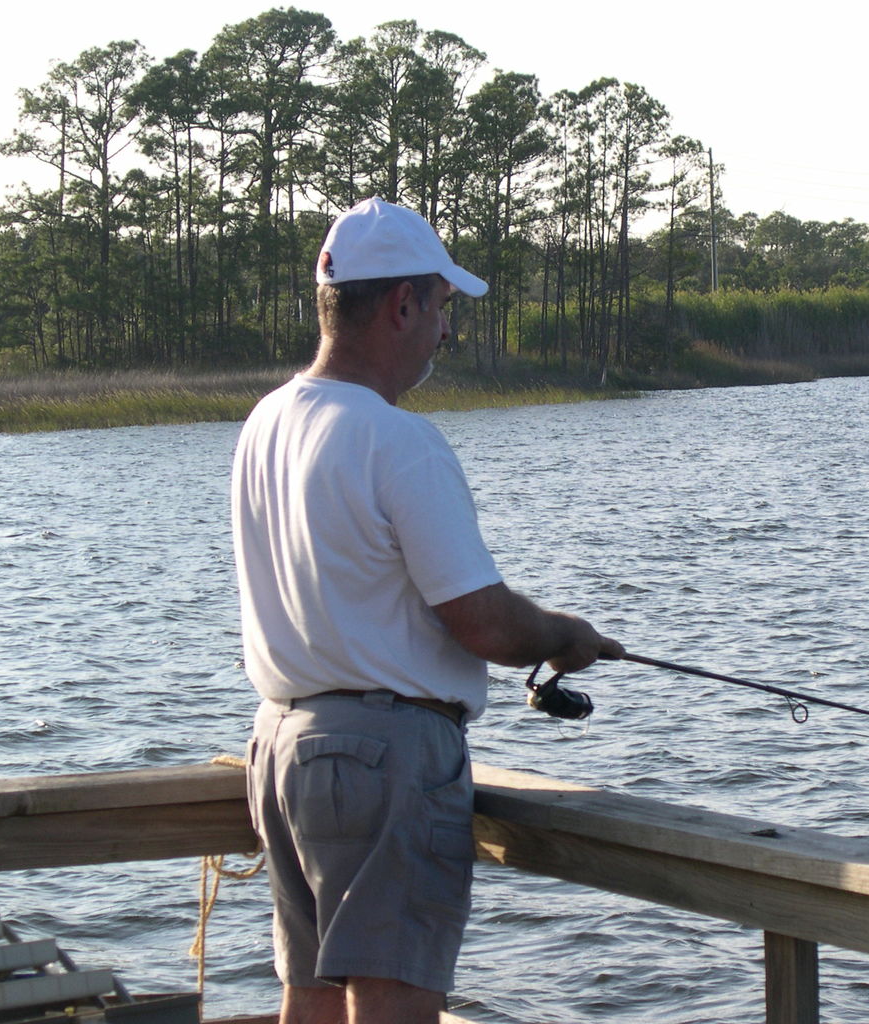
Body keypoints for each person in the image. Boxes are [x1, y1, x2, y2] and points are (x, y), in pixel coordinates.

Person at [231, 197, 622, 1024]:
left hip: (282, 745)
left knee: (309, 997)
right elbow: (479, 620)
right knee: (392, 1000)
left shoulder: (268, 421)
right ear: (402, 304)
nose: (446, 332)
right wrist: (563, 637)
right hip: (382, 756)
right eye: (442, 308)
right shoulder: (396, 440)